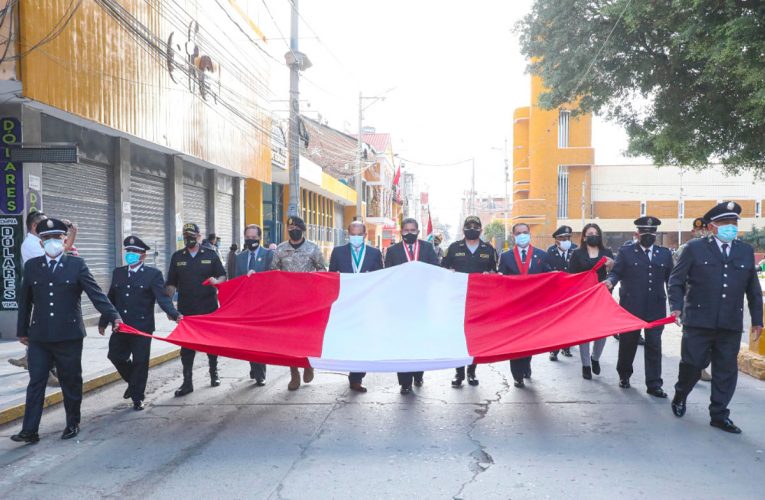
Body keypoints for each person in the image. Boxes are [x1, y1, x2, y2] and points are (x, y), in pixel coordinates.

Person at [10, 218, 122, 444]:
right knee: (36, 382)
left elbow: (96, 294)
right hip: (40, 336)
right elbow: (26, 301)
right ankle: (29, 430)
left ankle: (72, 423)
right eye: (46, 238)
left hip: (69, 336)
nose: (51, 241)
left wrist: (114, 316)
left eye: (56, 237)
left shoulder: (76, 265)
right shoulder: (33, 266)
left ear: (64, 240)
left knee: (71, 380)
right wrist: (22, 330)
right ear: (40, 243)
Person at [669, 201, 763, 434]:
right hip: (698, 320)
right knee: (692, 364)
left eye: (733, 223)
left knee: (725, 371)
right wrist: (676, 307)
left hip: (729, 323)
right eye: (724, 223)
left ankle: (719, 415)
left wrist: (758, 319)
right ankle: (681, 394)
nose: (730, 227)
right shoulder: (694, 249)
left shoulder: (744, 251)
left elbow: (752, 289)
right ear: (712, 227)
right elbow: (676, 281)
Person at [100, 236, 182, 410]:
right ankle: (133, 382)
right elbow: (111, 298)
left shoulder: (153, 275)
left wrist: (175, 314)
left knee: (140, 362)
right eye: (128, 251)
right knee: (115, 356)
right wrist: (103, 321)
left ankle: (138, 397)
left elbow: (163, 299)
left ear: (143, 256)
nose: (131, 254)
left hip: (142, 327)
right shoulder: (118, 273)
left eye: (135, 252)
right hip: (121, 325)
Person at [607, 217, 673, 396]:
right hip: (631, 307)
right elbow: (616, 273)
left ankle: (654, 384)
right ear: (637, 234)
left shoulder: (664, 254)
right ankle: (624, 375)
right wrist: (610, 282)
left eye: (652, 233)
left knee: (654, 346)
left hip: (656, 307)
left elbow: (671, 281)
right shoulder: (626, 252)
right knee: (628, 344)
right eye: (645, 233)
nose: (649, 236)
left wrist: (676, 306)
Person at [166, 223, 227, 397]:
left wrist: (218, 281)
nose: (188, 239)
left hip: (208, 308)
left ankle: (214, 373)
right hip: (186, 310)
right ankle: (187, 382)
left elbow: (223, 275)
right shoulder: (177, 257)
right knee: (187, 347)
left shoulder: (210, 254)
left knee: (211, 344)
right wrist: (168, 306)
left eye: (192, 235)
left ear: (199, 236)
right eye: (186, 236)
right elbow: (171, 283)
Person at [384, 217, 439, 394]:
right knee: (402, 342)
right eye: (406, 230)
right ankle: (405, 382)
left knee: (419, 340)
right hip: (400, 305)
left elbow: (435, 271)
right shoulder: (392, 250)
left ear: (418, 231)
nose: (409, 233)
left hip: (422, 303)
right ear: (401, 231)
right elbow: (388, 275)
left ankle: (418, 374)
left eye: (412, 230)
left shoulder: (428, 248)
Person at [328, 220, 384, 393]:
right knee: (348, 338)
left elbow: (380, 277)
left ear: (365, 235)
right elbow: (331, 277)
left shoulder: (374, 253)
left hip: (367, 304)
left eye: (359, 234)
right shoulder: (338, 252)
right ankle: (349, 366)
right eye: (353, 234)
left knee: (363, 339)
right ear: (348, 234)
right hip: (346, 303)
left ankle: (356, 378)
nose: (356, 237)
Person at [441, 216, 497, 388]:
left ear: (481, 229)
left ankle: (472, 372)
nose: (472, 228)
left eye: (475, 226)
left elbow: (495, 272)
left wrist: (491, 276)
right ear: (464, 228)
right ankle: (459, 373)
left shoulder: (488, 249)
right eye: (468, 226)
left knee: (475, 337)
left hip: (479, 302)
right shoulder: (453, 248)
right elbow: (443, 270)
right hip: (457, 301)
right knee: (458, 336)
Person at [272, 216, 326, 390]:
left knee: (307, 335)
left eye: (295, 227)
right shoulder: (280, 249)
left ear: (302, 229)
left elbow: (322, 269)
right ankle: (294, 372)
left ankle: (308, 364)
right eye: (289, 227)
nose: (292, 229)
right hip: (287, 301)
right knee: (289, 338)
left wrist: (314, 281)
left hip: (308, 300)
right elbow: (273, 271)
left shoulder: (313, 248)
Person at [498, 223, 551, 388]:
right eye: (519, 233)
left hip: (533, 307)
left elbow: (548, 278)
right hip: (514, 307)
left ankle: (527, 363)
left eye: (525, 232)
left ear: (530, 234)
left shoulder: (541, 255)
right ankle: (517, 375)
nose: (522, 235)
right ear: (513, 235)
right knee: (515, 341)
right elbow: (502, 280)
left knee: (529, 340)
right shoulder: (506, 256)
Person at [569, 223, 614, 380]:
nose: (593, 235)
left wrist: (611, 265)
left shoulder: (607, 253)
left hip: (602, 298)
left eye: (596, 233)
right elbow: (571, 276)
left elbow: (614, 274)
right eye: (590, 233)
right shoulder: (577, 254)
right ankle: (586, 364)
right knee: (585, 333)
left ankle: (595, 357)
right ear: (584, 236)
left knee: (601, 332)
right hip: (584, 298)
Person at [233, 224, 274, 386]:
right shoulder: (240, 257)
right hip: (246, 305)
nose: (250, 241)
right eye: (247, 238)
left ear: (260, 238)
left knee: (260, 340)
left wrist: (259, 277)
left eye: (253, 238)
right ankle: (254, 365)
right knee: (248, 340)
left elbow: (273, 277)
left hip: (263, 305)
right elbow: (235, 280)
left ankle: (260, 373)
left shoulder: (269, 255)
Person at [674, 217, 713, 382]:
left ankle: (702, 366)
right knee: (690, 338)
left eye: (705, 229)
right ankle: (692, 368)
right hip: (689, 298)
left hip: (710, 299)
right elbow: (677, 277)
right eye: (699, 230)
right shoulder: (685, 249)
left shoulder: (714, 249)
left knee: (710, 336)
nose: (702, 233)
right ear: (693, 231)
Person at [547, 225, 578, 361]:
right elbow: (546, 269)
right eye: (562, 238)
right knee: (556, 321)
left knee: (570, 320)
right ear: (556, 240)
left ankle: (566, 346)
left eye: (568, 237)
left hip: (572, 291)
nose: (566, 240)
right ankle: (554, 349)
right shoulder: (550, 251)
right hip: (556, 292)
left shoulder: (575, 250)